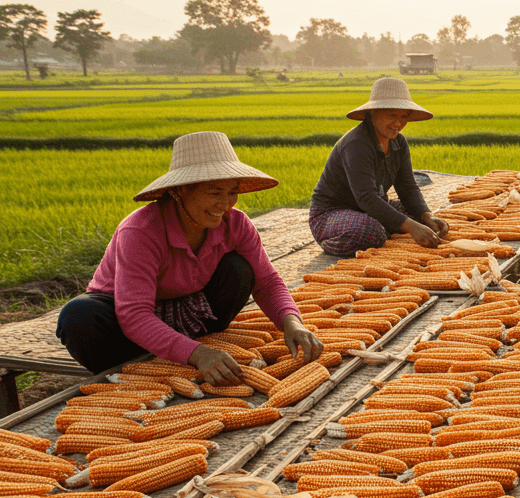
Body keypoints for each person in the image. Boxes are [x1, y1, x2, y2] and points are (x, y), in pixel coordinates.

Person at [56, 132, 323, 383]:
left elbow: (267, 282)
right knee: (78, 316)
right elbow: (134, 314)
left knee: (240, 270)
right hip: (124, 317)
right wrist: (200, 354)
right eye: (214, 192)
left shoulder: (236, 224)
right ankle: (141, 369)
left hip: (192, 309)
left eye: (232, 192)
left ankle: (185, 345)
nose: (226, 204)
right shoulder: (141, 231)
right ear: (179, 191)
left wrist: (292, 324)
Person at [308, 78, 449, 258]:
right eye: (391, 115)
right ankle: (329, 241)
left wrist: (426, 216)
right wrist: (411, 228)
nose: (398, 123)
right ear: (373, 113)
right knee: (371, 232)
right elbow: (366, 197)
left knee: (420, 219)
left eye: (403, 116)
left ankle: (386, 229)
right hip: (332, 214)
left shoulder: (398, 142)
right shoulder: (357, 144)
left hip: (367, 210)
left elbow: (407, 187)